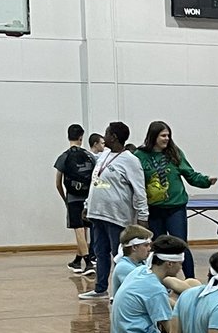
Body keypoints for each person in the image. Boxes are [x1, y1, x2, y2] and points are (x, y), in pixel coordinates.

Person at [134, 121, 217, 279]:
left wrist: (206, 181)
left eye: (168, 136)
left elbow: (190, 174)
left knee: (180, 245)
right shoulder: (140, 156)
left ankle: (191, 280)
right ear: (153, 136)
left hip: (175, 207)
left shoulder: (174, 153)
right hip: (154, 209)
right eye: (163, 135)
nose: (166, 138)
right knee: (158, 247)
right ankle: (161, 281)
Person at [80, 121, 148, 301]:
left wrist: (143, 216)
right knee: (100, 251)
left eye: (107, 133)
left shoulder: (131, 161)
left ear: (114, 137)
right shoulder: (104, 155)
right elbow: (96, 180)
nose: (104, 137)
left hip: (117, 216)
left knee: (118, 254)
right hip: (97, 212)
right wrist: (87, 205)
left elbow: (140, 190)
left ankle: (122, 290)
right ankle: (100, 288)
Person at [110, 235, 191, 333]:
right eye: (180, 264)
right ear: (169, 263)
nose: (181, 268)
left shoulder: (141, 271)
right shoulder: (155, 289)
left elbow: (170, 291)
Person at [54, 124, 96, 274]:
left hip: (73, 197)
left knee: (78, 229)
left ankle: (87, 262)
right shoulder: (90, 156)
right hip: (88, 198)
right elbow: (96, 177)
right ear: (81, 137)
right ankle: (77, 261)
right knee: (84, 228)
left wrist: (65, 198)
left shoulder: (63, 157)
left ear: (68, 136)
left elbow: (58, 183)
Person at [111, 225, 152, 295]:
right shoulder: (124, 267)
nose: (149, 249)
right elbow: (146, 290)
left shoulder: (140, 263)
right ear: (134, 247)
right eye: (146, 245)